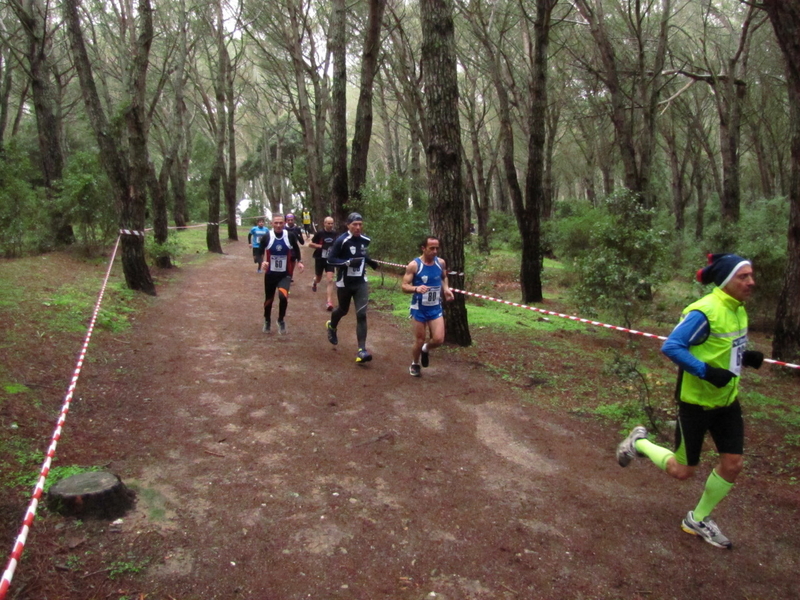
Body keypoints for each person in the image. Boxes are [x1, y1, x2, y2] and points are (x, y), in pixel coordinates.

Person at [616, 253, 762, 550]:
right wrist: (705, 371)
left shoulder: (738, 309)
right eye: (743, 276)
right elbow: (672, 346)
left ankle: (698, 519)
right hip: (695, 403)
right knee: (682, 472)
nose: (751, 282)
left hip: (726, 402)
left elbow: (718, 346)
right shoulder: (704, 311)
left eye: (751, 275)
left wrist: (743, 357)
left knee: (733, 464)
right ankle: (638, 443)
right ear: (725, 280)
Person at [325, 212, 379, 363]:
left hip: (360, 281)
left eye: (360, 224)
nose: (358, 227)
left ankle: (362, 350)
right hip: (345, 282)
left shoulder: (365, 240)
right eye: (355, 224)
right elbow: (331, 259)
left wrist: (370, 262)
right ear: (348, 225)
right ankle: (332, 325)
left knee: (361, 314)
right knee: (343, 310)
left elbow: (362, 254)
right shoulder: (341, 241)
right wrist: (347, 263)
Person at [401, 236, 454, 377]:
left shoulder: (441, 263)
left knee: (438, 339)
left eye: (437, 248)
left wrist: (446, 289)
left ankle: (426, 348)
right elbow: (404, 286)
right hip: (419, 308)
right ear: (423, 248)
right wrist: (416, 288)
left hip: (435, 307)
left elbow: (443, 277)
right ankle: (415, 363)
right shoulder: (414, 265)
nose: (435, 251)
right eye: (432, 248)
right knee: (419, 339)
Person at [259, 214, 304, 335]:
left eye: (280, 223)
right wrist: (262, 261)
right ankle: (267, 320)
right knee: (269, 300)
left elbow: (296, 249)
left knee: (283, 296)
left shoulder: (289, 236)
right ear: (272, 224)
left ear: (284, 223)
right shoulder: (267, 236)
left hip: (285, 274)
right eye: (276, 223)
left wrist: (299, 262)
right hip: (270, 274)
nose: (278, 225)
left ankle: (281, 319)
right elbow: (259, 251)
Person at [308, 216, 337, 311]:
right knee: (319, 278)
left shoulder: (335, 234)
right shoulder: (320, 233)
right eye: (328, 223)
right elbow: (310, 244)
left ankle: (329, 301)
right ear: (324, 223)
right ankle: (314, 282)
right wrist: (320, 246)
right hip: (320, 258)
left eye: (332, 223)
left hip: (330, 260)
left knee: (330, 279)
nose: (330, 225)